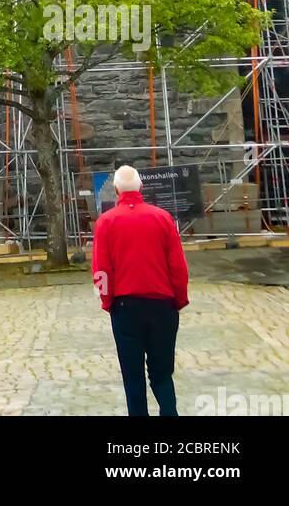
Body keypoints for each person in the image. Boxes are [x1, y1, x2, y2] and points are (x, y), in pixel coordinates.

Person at [91, 164, 189, 416]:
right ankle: (169, 412)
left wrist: (107, 301)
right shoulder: (163, 218)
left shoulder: (105, 223)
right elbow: (178, 266)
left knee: (132, 375)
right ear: (141, 188)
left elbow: (101, 271)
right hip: (162, 305)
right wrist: (178, 299)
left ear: (115, 190)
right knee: (162, 371)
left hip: (125, 307)